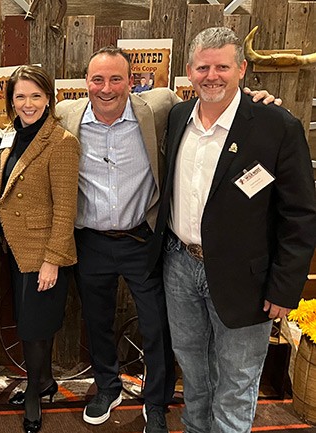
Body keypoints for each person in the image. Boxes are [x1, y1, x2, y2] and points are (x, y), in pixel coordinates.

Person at [56, 46, 281, 433]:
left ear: (133, 81)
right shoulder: (65, 115)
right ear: (85, 83)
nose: (106, 88)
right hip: (90, 240)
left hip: (142, 239)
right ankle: (107, 388)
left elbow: (220, 104)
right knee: (96, 321)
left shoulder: (160, 107)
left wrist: (259, 101)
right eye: (97, 79)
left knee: (157, 325)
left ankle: (155, 401)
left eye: (115, 79)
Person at [152, 27, 316, 433]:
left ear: (241, 69)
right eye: (204, 67)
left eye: (223, 66)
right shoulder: (176, 117)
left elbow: (299, 214)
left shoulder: (277, 125)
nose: (213, 76)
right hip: (180, 266)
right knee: (192, 370)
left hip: (248, 278)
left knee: (237, 381)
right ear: (190, 72)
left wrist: (284, 288)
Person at [0, 65, 80, 433]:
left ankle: (34, 391)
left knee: (34, 326)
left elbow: (65, 208)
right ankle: (43, 381)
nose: (27, 104)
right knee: (33, 321)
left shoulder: (61, 141)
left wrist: (52, 261)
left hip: (43, 251)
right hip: (14, 247)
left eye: (35, 96)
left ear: (49, 99)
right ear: (11, 100)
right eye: (20, 96)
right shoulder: (11, 136)